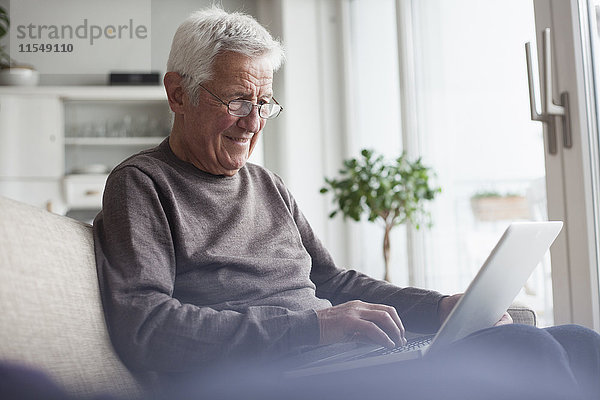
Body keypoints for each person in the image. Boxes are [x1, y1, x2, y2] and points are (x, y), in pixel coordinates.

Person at [93, 7, 600, 399]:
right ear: (178, 94)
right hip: (258, 378)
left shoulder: (267, 185)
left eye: (263, 102)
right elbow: (148, 327)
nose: (254, 122)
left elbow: (333, 283)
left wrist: (441, 308)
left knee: (580, 341)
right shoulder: (141, 185)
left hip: (328, 360)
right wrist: (312, 327)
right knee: (521, 350)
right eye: (237, 101)